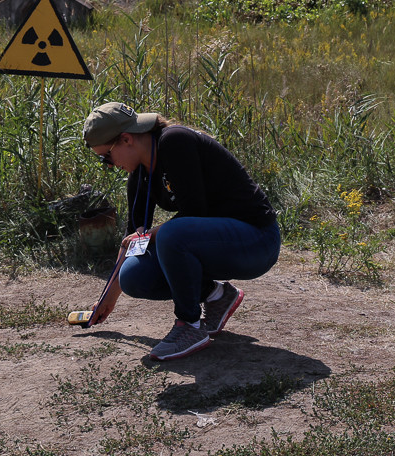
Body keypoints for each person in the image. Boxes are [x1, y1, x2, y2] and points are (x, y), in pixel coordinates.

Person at [82, 101, 280, 361]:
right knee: (134, 276)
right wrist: (109, 298)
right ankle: (216, 294)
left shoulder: (174, 142)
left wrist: (151, 234)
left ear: (126, 139)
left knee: (171, 233)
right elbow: (133, 242)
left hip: (256, 242)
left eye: (106, 157)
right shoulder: (140, 175)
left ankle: (190, 326)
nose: (109, 166)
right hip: (217, 245)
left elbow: (194, 212)